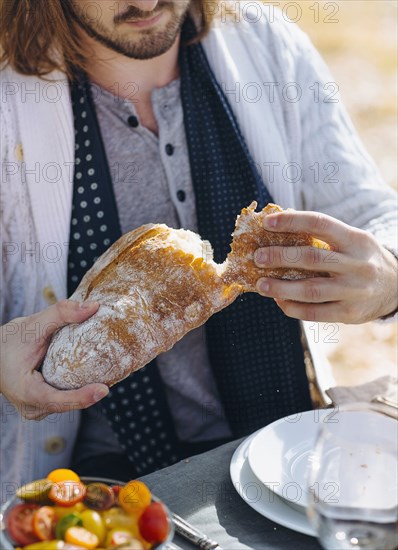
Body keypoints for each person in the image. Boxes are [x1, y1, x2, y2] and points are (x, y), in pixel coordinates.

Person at [1, 0, 397, 495]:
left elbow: (375, 211)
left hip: (278, 454)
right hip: (94, 480)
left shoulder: (266, 43)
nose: (145, 3)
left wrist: (389, 274)